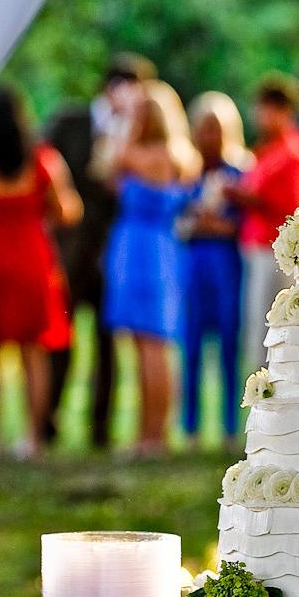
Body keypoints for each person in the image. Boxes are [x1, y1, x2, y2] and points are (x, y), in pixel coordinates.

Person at [0, 86, 82, 457]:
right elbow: (67, 210)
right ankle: (30, 438)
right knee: (33, 352)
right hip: (31, 256)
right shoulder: (42, 158)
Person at [43, 53, 156, 447]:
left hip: (115, 253)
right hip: (70, 251)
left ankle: (101, 429)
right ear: (109, 88)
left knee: (109, 344)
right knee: (59, 337)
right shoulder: (68, 122)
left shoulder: (139, 132)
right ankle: (47, 420)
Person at [103, 92, 190, 454]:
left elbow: (110, 161)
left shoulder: (154, 155)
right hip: (142, 248)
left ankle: (156, 433)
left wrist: (122, 120)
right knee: (141, 345)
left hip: (147, 254)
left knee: (154, 343)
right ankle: (147, 432)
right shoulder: (172, 153)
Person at [228, 74, 299, 367]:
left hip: (274, 252)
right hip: (257, 248)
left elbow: (289, 206)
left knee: (271, 330)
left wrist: (239, 196)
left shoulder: (293, 153)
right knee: (256, 329)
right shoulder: (267, 150)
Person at [179, 93, 248, 448]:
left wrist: (211, 225)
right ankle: (189, 427)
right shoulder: (185, 172)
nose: (210, 137)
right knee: (189, 345)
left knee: (228, 344)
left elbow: (241, 226)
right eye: (204, 129)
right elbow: (177, 222)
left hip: (226, 266)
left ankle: (228, 427)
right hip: (191, 266)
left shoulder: (240, 174)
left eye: (216, 129)